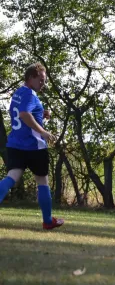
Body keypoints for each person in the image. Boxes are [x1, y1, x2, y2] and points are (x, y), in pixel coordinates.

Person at [0, 62, 64, 230]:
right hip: (33, 146)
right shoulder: (30, 95)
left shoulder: (18, 93)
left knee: (11, 178)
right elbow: (24, 114)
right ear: (30, 78)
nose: (43, 83)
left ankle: (48, 220)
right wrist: (43, 131)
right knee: (42, 181)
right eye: (41, 80)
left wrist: (41, 115)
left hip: (15, 144)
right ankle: (48, 220)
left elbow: (21, 113)